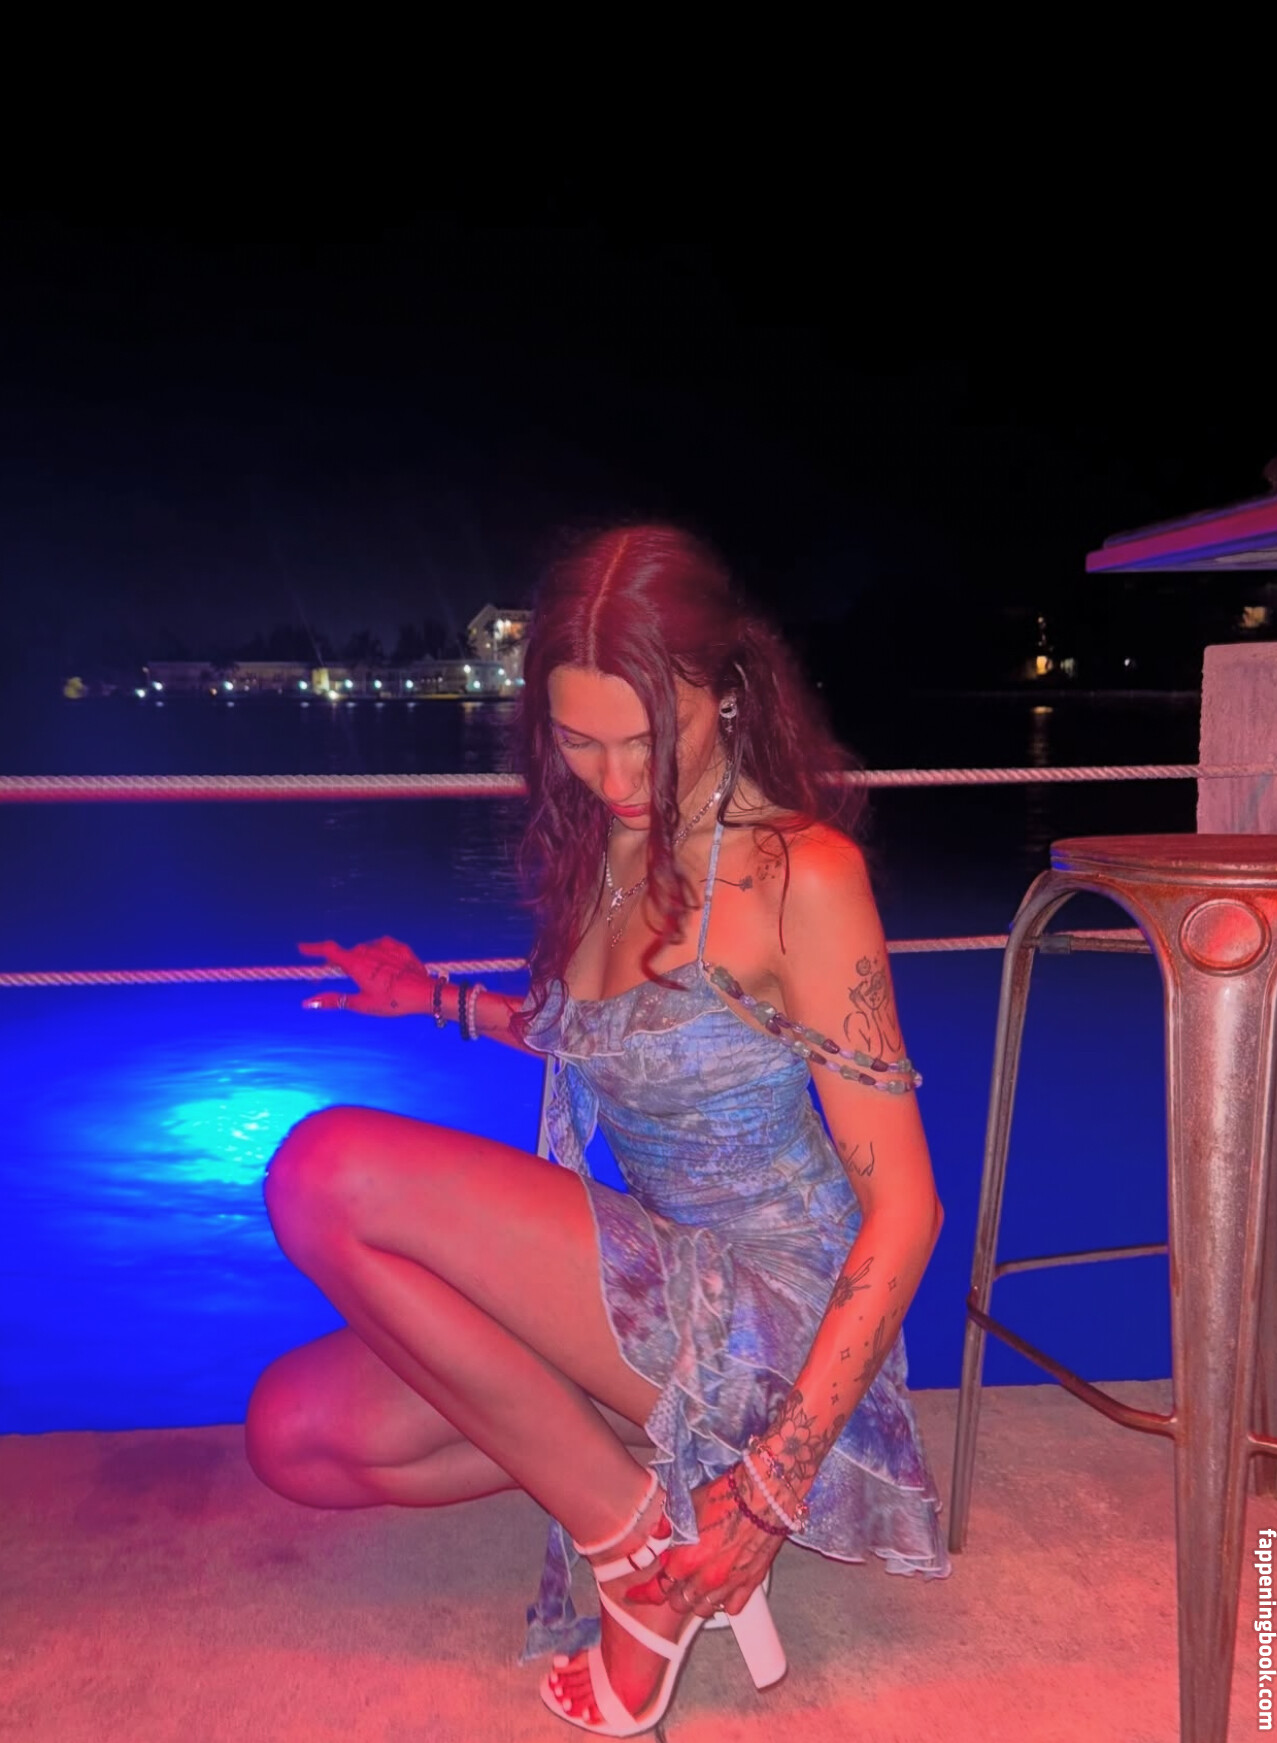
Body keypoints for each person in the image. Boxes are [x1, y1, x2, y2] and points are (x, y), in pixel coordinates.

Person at [246, 524, 950, 1737]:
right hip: (645, 1300)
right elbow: (622, 1039)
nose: (618, 776)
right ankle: (655, 1484)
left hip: (777, 1323)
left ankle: (633, 1555)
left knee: (325, 1172)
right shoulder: (611, 844)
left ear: (727, 692)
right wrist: (442, 1003)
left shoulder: (799, 872)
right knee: (294, 1438)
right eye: (579, 740)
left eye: (647, 737)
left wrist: (772, 1487)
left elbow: (907, 1209)